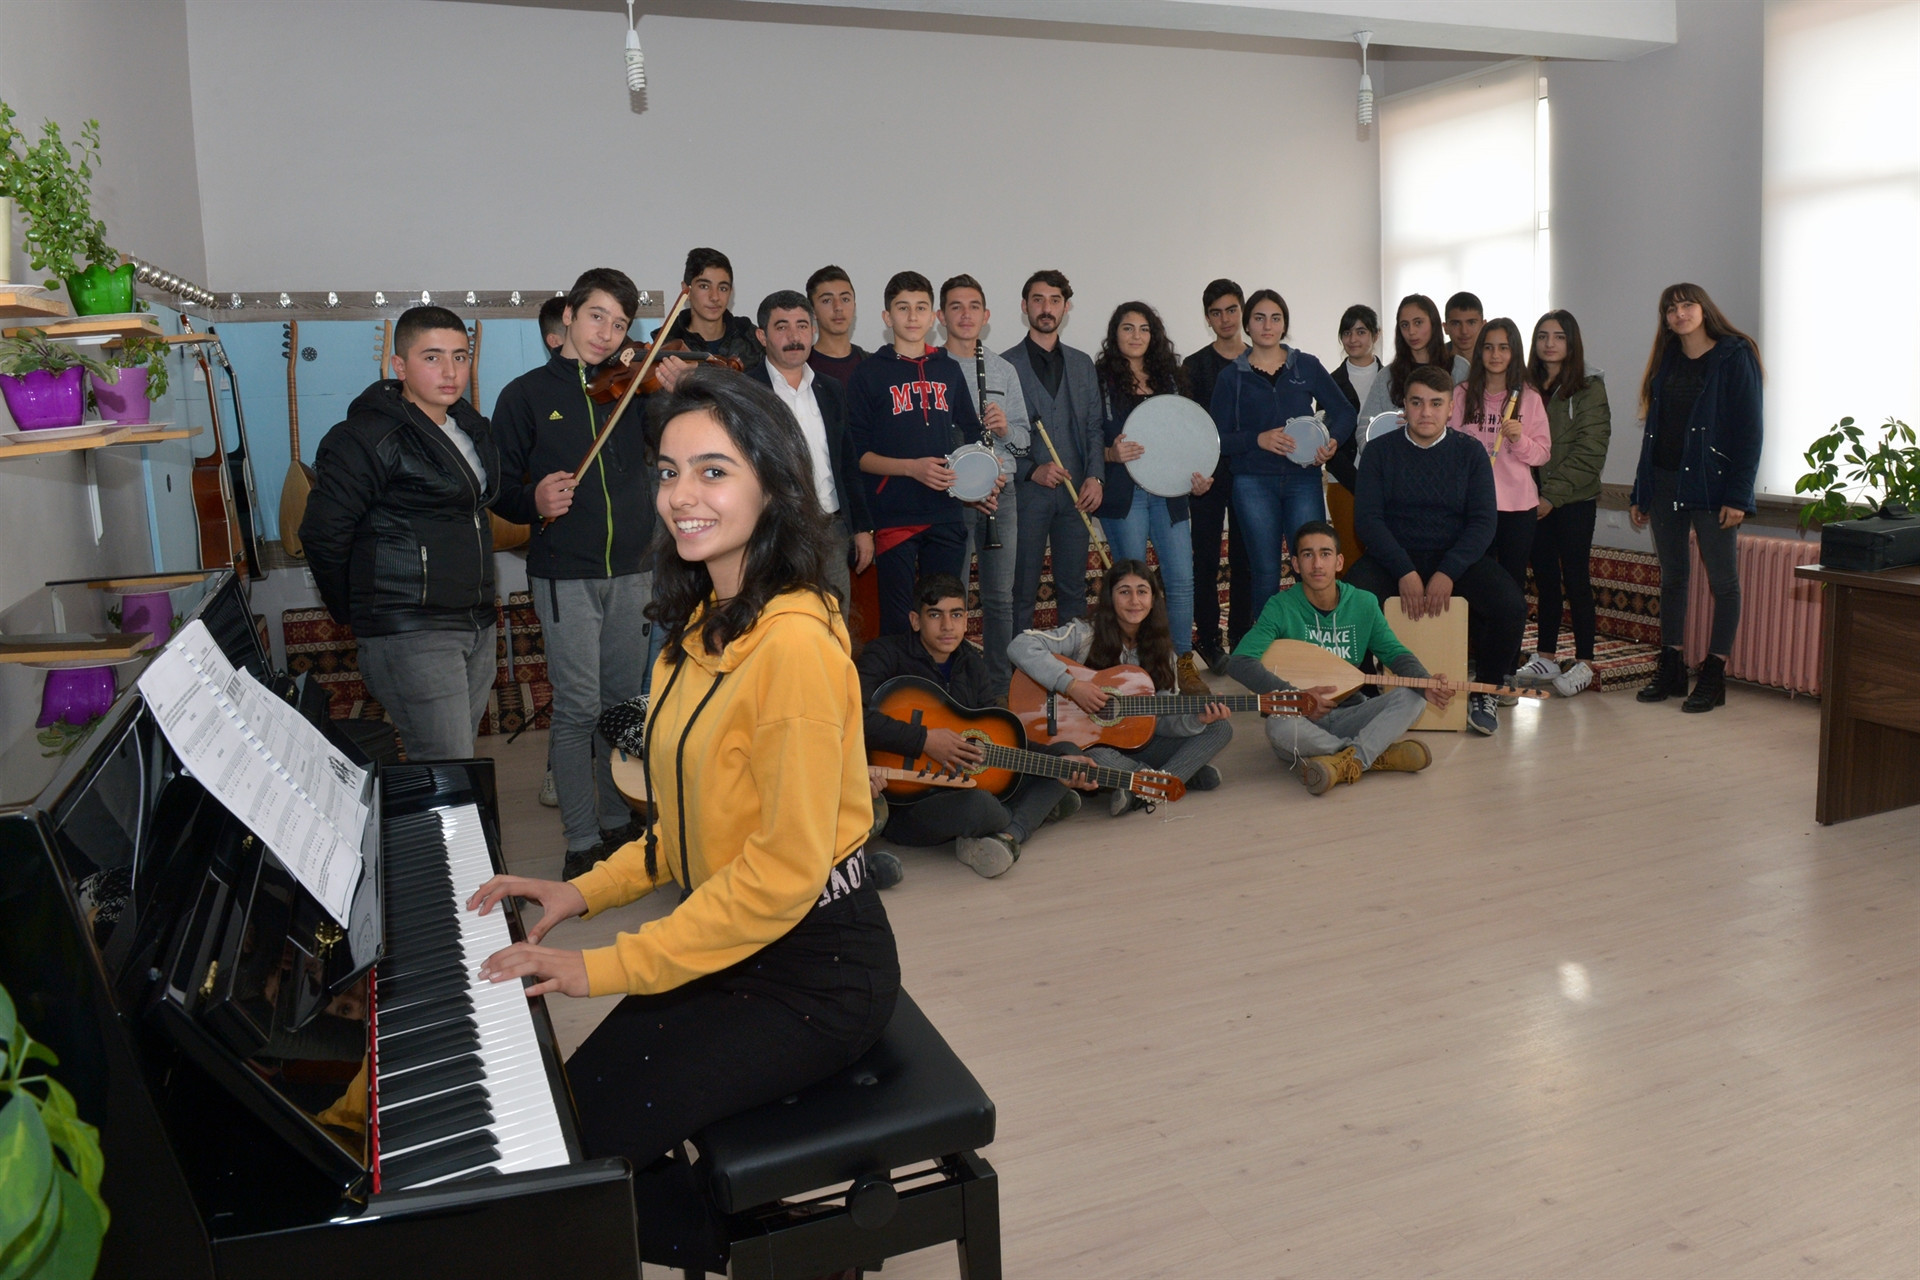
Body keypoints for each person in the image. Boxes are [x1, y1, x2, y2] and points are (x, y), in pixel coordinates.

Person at [468, 368, 897, 1275]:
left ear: (774, 484)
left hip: (816, 970)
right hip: (731, 938)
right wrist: (583, 892)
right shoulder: (699, 625)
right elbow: (688, 826)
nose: (681, 497)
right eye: (668, 472)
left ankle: (801, 1251)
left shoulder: (795, 645)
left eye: (713, 471)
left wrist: (600, 967)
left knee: (575, 1159)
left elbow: (777, 879)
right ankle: (756, 1233)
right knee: (571, 1124)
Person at [493, 268, 668, 879]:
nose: (606, 334)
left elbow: (672, 448)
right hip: (565, 574)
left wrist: (673, 389)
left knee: (619, 706)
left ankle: (618, 822)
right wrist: (532, 500)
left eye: (619, 324)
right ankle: (581, 838)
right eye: (597, 317)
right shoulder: (524, 395)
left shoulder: (632, 389)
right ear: (568, 315)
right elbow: (499, 489)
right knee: (576, 708)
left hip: (632, 571)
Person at [301, 305, 498, 763]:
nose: (450, 371)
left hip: (475, 623)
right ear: (399, 366)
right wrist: (356, 612)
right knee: (446, 767)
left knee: (458, 762)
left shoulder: (469, 428)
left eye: (460, 356)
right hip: (411, 630)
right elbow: (322, 533)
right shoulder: (363, 437)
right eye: (432, 357)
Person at [859, 574, 1095, 878]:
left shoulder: (972, 663)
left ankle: (1008, 833)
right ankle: (1031, 813)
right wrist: (924, 740)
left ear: (966, 620)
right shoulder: (884, 655)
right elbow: (854, 718)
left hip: (968, 780)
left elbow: (1002, 739)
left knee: (1067, 754)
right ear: (916, 621)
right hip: (906, 802)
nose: (948, 626)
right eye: (936, 615)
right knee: (981, 806)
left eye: (956, 615)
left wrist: (1058, 762)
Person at [1346, 363, 1526, 737]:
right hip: (1393, 558)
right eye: (1416, 402)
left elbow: (1483, 523)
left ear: (1450, 408)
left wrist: (1448, 571)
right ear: (1404, 405)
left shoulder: (1471, 453)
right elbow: (1368, 521)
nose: (1425, 412)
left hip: (1454, 559)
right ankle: (1364, 695)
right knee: (1350, 604)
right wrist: (1403, 570)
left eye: (1435, 403)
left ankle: (1485, 692)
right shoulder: (1379, 452)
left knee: (1510, 606)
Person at [1223, 521, 1451, 794]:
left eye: (1325, 554)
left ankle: (1343, 760)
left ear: (1339, 562)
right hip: (1303, 721)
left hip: (1352, 714)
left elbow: (1395, 653)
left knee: (1414, 697)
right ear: (1296, 564)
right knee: (1277, 726)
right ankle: (1370, 755)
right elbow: (1239, 662)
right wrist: (1298, 698)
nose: (1317, 564)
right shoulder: (1280, 606)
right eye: (1308, 555)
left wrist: (1425, 682)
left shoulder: (1364, 603)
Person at [1629, 282, 1764, 713]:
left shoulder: (1734, 355)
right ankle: (1671, 666)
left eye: (1687, 305)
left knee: (1724, 583)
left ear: (1704, 310)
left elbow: (1750, 432)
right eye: (1671, 309)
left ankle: (1713, 674)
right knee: (1673, 576)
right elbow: (1654, 432)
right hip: (1666, 482)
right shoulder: (1667, 359)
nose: (1679, 314)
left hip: (1713, 485)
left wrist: (1738, 495)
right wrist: (1641, 490)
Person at [1008, 559, 1232, 817]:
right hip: (1089, 746)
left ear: (1153, 599)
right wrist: (1071, 685)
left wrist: (1196, 720)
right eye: (1125, 591)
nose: (1134, 601)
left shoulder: (1163, 653)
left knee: (1220, 728)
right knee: (1095, 759)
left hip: (1139, 743)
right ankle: (1177, 776)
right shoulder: (1085, 634)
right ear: (1110, 597)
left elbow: (1160, 722)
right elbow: (1020, 645)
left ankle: (1142, 787)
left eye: (1142, 591)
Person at [846, 270, 989, 635]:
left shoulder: (949, 370)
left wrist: (983, 478)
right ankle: (901, 675)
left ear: (932, 317)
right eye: (903, 308)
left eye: (921, 307)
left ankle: (938, 675)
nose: (912, 316)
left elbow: (973, 434)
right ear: (887, 317)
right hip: (893, 514)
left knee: (942, 619)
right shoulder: (867, 374)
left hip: (945, 512)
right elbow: (858, 455)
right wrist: (911, 468)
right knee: (899, 622)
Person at [1210, 288, 1356, 608]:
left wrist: (1332, 441)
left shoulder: (1306, 365)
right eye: (1259, 318)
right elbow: (1216, 438)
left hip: (1303, 481)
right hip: (1252, 483)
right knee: (1265, 572)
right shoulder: (1231, 377)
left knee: (1314, 569)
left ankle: (1313, 636)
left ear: (1284, 324)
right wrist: (1256, 439)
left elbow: (1345, 412)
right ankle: (1269, 639)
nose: (1268, 326)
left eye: (1276, 318)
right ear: (1247, 325)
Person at [1093, 301, 1210, 695]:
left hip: (1170, 494)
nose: (1136, 336)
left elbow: (1188, 436)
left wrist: (1199, 475)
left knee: (1181, 580)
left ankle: (1182, 663)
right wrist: (1110, 454)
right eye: (1128, 328)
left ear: (1154, 335)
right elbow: (1088, 436)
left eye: (1144, 329)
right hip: (1125, 494)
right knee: (1131, 584)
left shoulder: (1171, 379)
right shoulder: (1100, 380)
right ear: (1115, 334)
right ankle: (1137, 667)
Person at [745, 289, 875, 605]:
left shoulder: (830, 389)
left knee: (834, 621)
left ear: (814, 331)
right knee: (776, 622)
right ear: (762, 336)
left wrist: (862, 528)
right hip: (772, 534)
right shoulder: (746, 391)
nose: (794, 336)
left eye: (802, 326)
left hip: (830, 530)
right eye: (782, 327)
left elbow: (847, 463)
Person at [940, 273, 1031, 694]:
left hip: (1000, 495)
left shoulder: (1002, 369)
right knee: (951, 598)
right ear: (941, 316)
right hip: (952, 496)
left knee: (999, 599)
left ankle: (999, 688)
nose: (966, 315)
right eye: (956, 307)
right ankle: (955, 685)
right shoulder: (933, 367)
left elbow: (1024, 440)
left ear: (986, 315)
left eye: (974, 306)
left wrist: (1005, 429)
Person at [1004, 269, 1104, 631]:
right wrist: (1032, 470)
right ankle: (1018, 664)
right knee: (1022, 591)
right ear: (1024, 306)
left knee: (1074, 591)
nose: (1046, 308)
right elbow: (996, 438)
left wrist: (1096, 477)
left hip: (1077, 495)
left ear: (1066, 307)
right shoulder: (1004, 366)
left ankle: (1071, 663)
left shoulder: (1082, 364)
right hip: (1026, 495)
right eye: (1038, 300)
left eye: (1055, 300)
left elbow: (1095, 428)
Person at [1517, 310, 1611, 697]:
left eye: (1558, 336)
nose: (1550, 343)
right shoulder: (1524, 386)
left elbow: (1590, 450)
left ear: (1572, 343)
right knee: (1544, 580)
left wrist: (1551, 496)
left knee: (1575, 578)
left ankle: (1585, 661)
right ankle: (1546, 657)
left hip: (1573, 499)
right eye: (1542, 336)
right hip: (1532, 498)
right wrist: (1532, 495)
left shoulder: (1589, 387)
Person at [1449, 317, 1551, 661]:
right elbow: (1449, 446)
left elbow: (1543, 453)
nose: (1495, 354)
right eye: (1489, 347)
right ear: (1480, 351)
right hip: (1473, 506)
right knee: (1474, 583)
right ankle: (1478, 658)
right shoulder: (1462, 394)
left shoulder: (1529, 398)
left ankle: (1505, 662)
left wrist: (1520, 440)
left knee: (1510, 586)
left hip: (1517, 508)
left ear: (1514, 352)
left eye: (1504, 348)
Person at [1180, 278, 1253, 667]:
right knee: (1205, 559)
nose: (1225, 319)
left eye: (1231, 310)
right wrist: (1196, 472)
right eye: (1216, 312)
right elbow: (1187, 425)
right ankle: (1208, 638)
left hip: (1251, 475)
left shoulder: (1260, 359)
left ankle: (1242, 636)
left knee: (1246, 559)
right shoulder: (1194, 366)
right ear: (1207, 318)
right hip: (1206, 478)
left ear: (1242, 310)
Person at [1326, 303, 1389, 562]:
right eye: (1347, 332)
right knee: (1350, 558)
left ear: (1376, 335)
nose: (1353, 339)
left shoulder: (1393, 379)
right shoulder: (1330, 381)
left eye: (1361, 332)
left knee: (1385, 557)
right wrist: (1358, 483)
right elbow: (1327, 439)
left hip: (1387, 482)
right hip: (1342, 481)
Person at [661, 246, 763, 365]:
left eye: (723, 288)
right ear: (686, 291)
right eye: (704, 286)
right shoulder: (666, 345)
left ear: (730, 292)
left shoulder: (752, 340)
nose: (715, 297)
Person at [806, 264, 866, 387]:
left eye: (845, 299)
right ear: (812, 311)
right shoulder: (803, 367)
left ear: (854, 307)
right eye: (827, 300)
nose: (838, 307)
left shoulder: (871, 364)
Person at [1385, 293, 1449, 407]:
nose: (1411, 331)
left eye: (1418, 323)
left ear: (1433, 323)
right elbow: (1367, 418)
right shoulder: (1387, 376)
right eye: (1405, 325)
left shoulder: (1458, 368)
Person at [1442, 291, 1483, 381]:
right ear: (1445, 328)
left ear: (1483, 325)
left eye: (1471, 322)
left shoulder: (1495, 361)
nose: (1464, 331)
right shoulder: (1434, 362)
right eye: (1456, 323)